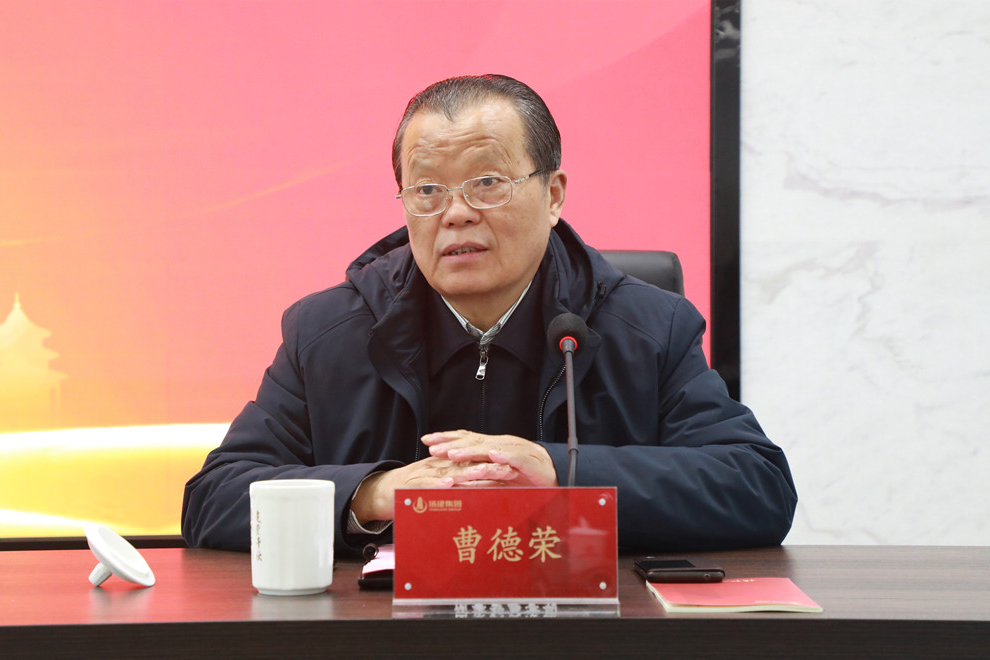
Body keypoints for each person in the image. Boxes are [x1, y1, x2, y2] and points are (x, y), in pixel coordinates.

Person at [181, 74, 797, 556]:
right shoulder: (328, 333)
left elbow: (757, 486)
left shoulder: (649, 327)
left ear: (553, 194)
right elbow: (213, 499)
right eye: (427, 190)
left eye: (487, 183)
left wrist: (559, 471)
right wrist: (373, 493)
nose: (455, 213)